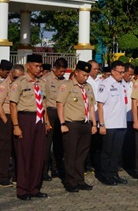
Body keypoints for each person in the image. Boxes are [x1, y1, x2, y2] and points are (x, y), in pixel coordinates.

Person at [10, 54, 50, 200]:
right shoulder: (19, 82)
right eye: (37, 66)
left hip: (39, 120)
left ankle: (34, 188)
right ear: (28, 66)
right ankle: (23, 189)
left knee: (38, 155)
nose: (39, 69)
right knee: (24, 155)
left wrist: (46, 122)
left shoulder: (41, 83)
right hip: (25, 119)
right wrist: (16, 125)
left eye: (40, 66)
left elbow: (43, 103)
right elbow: (13, 105)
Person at [57, 61, 97, 192]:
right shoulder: (67, 85)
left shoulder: (88, 87)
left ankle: (80, 179)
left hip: (85, 124)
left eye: (87, 76)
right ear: (76, 72)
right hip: (71, 124)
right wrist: (62, 123)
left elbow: (91, 106)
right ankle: (70, 181)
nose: (85, 78)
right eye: (84, 75)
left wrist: (94, 123)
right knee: (71, 154)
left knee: (82, 154)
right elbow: (60, 104)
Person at [96, 61, 128, 185]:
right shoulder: (105, 84)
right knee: (107, 152)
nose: (122, 74)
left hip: (121, 123)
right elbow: (100, 105)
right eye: (120, 72)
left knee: (116, 152)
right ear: (113, 71)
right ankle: (105, 175)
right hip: (109, 124)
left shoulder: (122, 84)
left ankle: (114, 173)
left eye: (123, 72)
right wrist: (102, 124)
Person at [0, 64, 24, 187]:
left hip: (19, 117)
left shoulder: (23, 84)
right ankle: (3, 177)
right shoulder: (4, 86)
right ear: (11, 74)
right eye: (15, 77)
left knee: (18, 148)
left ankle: (17, 175)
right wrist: (6, 121)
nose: (17, 80)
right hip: (7, 117)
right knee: (5, 149)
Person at [40, 58, 68, 181]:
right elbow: (42, 100)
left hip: (61, 113)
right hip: (49, 112)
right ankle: (44, 170)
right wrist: (45, 119)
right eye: (60, 71)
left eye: (64, 72)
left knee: (59, 143)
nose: (62, 74)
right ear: (54, 68)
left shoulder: (65, 81)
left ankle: (56, 168)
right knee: (46, 144)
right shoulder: (46, 80)